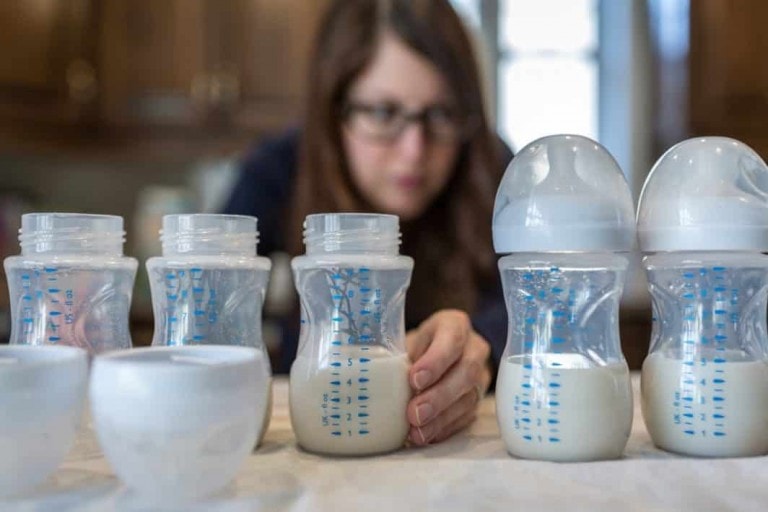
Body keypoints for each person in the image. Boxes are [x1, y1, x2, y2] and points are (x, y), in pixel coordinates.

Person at [224, 0, 512, 446]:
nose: (415, 150)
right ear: (333, 110)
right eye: (382, 113)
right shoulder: (279, 168)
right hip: (318, 434)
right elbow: (215, 289)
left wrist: (479, 346)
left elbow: (527, 303)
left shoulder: (491, 168)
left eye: (441, 114)